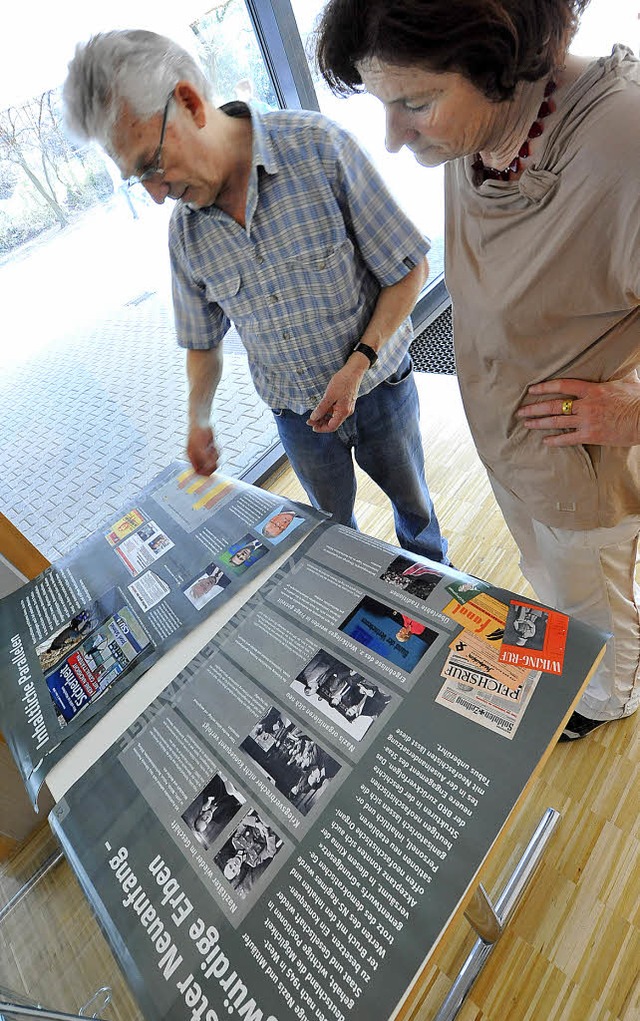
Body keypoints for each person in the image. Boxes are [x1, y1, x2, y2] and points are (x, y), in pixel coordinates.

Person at [316, 0, 640, 741]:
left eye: (415, 104)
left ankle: (611, 694)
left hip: (577, 469)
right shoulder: (480, 131)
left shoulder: (625, 147)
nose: (394, 139)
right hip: (512, 451)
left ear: (503, 58)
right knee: (556, 585)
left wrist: (631, 410)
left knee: (595, 603)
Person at [62, 29, 448, 565]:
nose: (154, 194)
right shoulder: (185, 236)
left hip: (380, 387)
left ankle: (444, 602)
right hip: (298, 419)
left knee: (417, 515)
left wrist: (357, 365)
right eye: (136, 181)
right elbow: (202, 342)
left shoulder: (319, 148)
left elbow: (409, 270)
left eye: (150, 165)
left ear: (190, 103)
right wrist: (199, 420)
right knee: (331, 540)